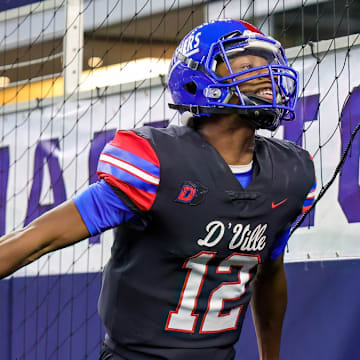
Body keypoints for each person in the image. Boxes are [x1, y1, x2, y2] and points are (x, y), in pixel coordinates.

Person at [0, 19, 316, 360]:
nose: (266, 75)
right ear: (198, 79)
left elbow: (269, 274)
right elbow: (38, 238)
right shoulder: (155, 164)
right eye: (247, 65)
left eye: (269, 65)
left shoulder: (289, 174)